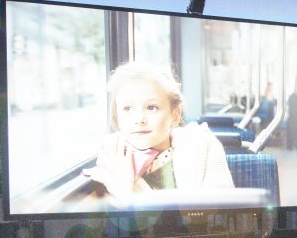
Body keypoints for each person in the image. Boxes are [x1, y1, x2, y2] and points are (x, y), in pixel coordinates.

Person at [83, 61, 233, 203]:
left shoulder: (202, 146)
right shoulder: (111, 158)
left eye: (151, 107)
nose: (139, 119)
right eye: (127, 109)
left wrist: (128, 196)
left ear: (174, 115)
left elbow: (217, 218)